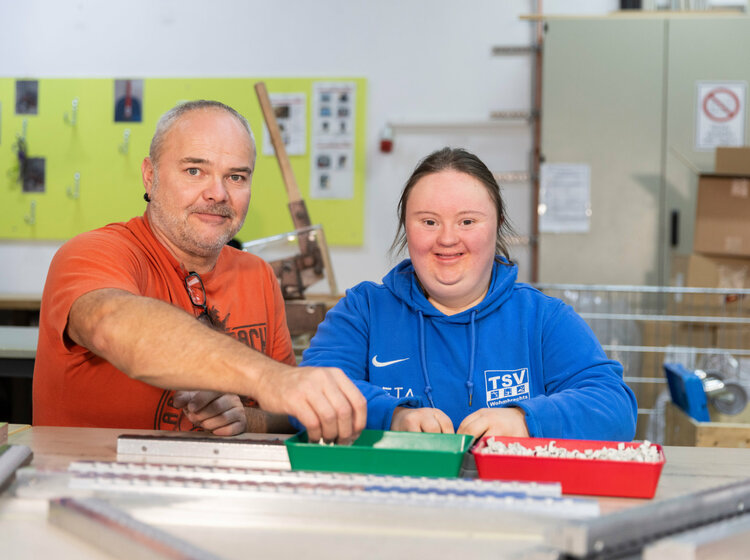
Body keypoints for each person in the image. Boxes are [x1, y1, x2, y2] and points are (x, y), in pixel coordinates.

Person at [33, 100, 365, 444]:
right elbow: (112, 324)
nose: (217, 193)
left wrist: (246, 418)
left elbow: (285, 414)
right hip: (91, 487)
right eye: (195, 171)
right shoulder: (93, 253)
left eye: (235, 177)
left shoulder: (258, 275)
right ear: (151, 176)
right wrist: (268, 379)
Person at [300, 147, 637, 441]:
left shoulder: (542, 318)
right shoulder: (364, 312)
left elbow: (614, 407)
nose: (447, 239)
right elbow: (310, 390)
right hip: (390, 503)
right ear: (406, 226)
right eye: (429, 222)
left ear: (497, 223)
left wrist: (525, 421)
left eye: (467, 222)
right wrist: (394, 417)